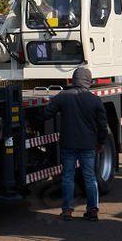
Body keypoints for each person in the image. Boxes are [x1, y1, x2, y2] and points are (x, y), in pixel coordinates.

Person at [42, 66, 109, 221]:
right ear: (89, 81)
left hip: (68, 144)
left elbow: (47, 113)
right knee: (90, 177)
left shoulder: (63, 96)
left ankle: (67, 210)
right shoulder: (95, 100)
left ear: (73, 79)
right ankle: (92, 211)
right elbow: (102, 125)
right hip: (88, 145)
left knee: (67, 177)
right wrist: (100, 142)